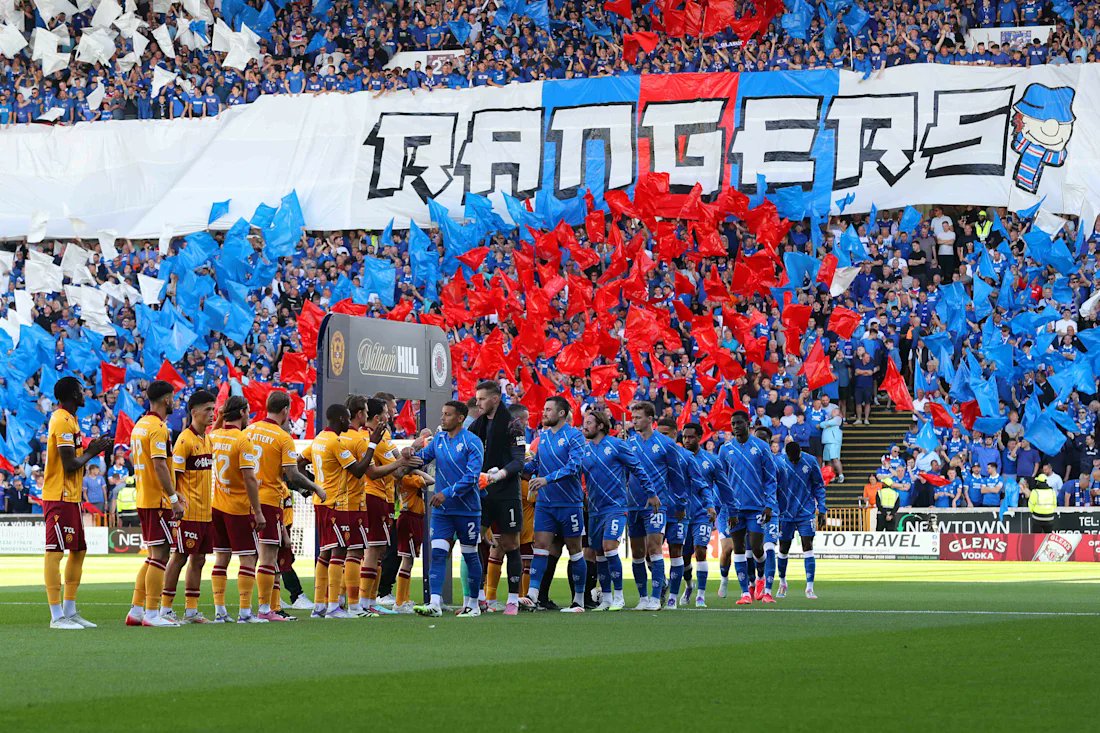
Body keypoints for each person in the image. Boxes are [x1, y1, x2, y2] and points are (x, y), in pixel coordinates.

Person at [298, 402, 388, 619]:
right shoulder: (335, 442)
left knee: (325, 553)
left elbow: (299, 461)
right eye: (347, 418)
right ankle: (334, 607)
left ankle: (320, 606)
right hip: (338, 503)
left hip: (322, 502)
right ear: (340, 419)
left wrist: (310, 486)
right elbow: (358, 471)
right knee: (340, 552)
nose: (350, 421)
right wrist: (372, 445)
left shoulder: (319, 438)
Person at [244, 390, 326, 621]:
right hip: (269, 500)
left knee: (250, 556)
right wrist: (315, 487)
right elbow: (293, 474)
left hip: (245, 500)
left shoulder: (248, 431)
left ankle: (250, 609)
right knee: (269, 558)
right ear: (285, 410)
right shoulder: (282, 437)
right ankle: (265, 609)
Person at [42, 376, 112, 629]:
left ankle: (70, 610)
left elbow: (76, 456)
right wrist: (93, 451)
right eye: (82, 391)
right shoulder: (61, 420)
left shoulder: (71, 420)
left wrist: (93, 447)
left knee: (79, 550)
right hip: (58, 495)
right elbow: (70, 464)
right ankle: (56, 615)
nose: (85, 394)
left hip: (71, 497)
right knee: (55, 552)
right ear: (73, 394)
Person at [413, 400, 486, 617]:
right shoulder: (439, 440)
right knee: (437, 554)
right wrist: (409, 452)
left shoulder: (473, 442)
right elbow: (421, 459)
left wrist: (446, 493)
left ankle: (474, 604)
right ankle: (435, 603)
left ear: (460, 418)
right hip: (442, 511)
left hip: (467, 510)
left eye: (447, 414)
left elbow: (472, 477)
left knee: (470, 555)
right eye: (443, 413)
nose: (442, 418)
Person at [346, 396, 418, 616]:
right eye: (387, 412)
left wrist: (409, 457)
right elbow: (391, 470)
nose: (390, 415)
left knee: (378, 551)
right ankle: (363, 602)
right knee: (372, 550)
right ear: (377, 417)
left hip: (384, 499)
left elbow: (396, 466)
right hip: (372, 497)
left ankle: (369, 600)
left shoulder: (382, 437)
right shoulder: (367, 439)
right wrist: (404, 462)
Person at [126, 380, 187, 628]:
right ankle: (152, 612)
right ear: (166, 399)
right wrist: (172, 498)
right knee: (160, 555)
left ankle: (136, 610)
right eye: (173, 397)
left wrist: (173, 493)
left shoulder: (140, 425)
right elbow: (160, 465)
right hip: (157, 500)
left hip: (145, 496)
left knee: (153, 556)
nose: (175, 402)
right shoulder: (158, 428)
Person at [520, 396, 587, 612]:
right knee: (540, 547)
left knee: (575, 550)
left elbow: (574, 466)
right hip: (545, 504)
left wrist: (546, 479)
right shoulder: (544, 437)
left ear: (561, 413)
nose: (544, 412)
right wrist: (514, 468)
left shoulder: (575, 436)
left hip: (569, 504)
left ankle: (578, 600)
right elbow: (536, 464)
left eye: (548, 409)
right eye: (544, 408)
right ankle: (532, 595)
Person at [580, 409, 650, 612]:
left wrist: (651, 493)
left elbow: (637, 468)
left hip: (616, 507)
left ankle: (619, 596)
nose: (584, 426)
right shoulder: (584, 450)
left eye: (589, 422)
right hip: (594, 510)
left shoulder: (617, 445)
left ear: (601, 425)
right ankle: (607, 598)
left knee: (609, 546)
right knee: (599, 553)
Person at [469, 380, 526, 615]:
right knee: (473, 541)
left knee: (510, 544)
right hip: (482, 493)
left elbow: (519, 461)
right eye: (477, 399)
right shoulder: (477, 425)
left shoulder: (513, 425)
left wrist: (498, 475)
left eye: (482, 399)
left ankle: (513, 600)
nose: (478, 403)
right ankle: (479, 598)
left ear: (495, 399)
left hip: (506, 494)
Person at [160, 390, 216, 624]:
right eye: (208, 409)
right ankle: (165, 608)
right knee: (180, 557)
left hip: (205, 512)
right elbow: (173, 477)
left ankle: (191, 610)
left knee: (199, 559)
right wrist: (176, 502)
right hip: (189, 512)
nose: (212, 414)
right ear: (194, 412)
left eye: (213, 409)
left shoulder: (207, 439)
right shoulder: (185, 440)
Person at [208, 396, 265, 623]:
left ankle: (220, 610)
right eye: (248, 410)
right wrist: (258, 511)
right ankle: (245, 612)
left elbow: (210, 434)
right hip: (239, 508)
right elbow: (249, 478)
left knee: (221, 558)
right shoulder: (242, 440)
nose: (249, 414)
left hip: (217, 506)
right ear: (242, 412)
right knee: (248, 557)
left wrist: (219, 417)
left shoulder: (214, 437)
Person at [624, 400, 682, 611]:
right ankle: (643, 598)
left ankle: (656, 597)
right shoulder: (629, 443)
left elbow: (676, 477)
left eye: (638, 418)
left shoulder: (666, 444)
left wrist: (679, 503)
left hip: (657, 505)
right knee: (638, 552)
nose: (634, 421)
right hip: (633, 505)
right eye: (633, 418)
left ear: (650, 419)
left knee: (654, 547)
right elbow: (625, 474)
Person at [718, 410, 778, 605]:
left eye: (739, 423)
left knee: (757, 547)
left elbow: (770, 478)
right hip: (734, 508)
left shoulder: (761, 447)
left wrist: (769, 504)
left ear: (748, 423)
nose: (735, 426)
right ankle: (745, 592)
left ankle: (760, 578)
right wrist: (726, 507)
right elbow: (721, 480)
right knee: (738, 548)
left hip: (756, 507)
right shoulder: (725, 449)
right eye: (733, 424)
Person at [655, 417, 707, 609]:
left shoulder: (686, 456)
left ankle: (672, 598)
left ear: (674, 434)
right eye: (658, 434)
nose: (661, 438)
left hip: (679, 513)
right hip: (656, 510)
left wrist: (709, 505)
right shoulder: (652, 455)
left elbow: (700, 484)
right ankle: (662, 582)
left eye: (665, 434)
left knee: (676, 553)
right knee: (649, 552)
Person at [681, 422, 729, 608]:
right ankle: (689, 585)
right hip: (682, 514)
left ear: (700, 438)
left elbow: (724, 486)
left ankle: (701, 595)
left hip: (703, 513)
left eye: (691, 437)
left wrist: (726, 508)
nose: (687, 440)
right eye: (684, 437)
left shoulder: (712, 461)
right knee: (684, 557)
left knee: (700, 550)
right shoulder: (678, 458)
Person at [775, 442, 827, 600]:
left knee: (808, 546)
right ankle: (782, 583)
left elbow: (819, 485)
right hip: (785, 512)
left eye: (796, 458)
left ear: (800, 452)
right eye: (791, 459)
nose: (794, 461)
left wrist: (822, 509)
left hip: (806, 511)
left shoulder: (810, 461)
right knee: (783, 548)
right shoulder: (780, 462)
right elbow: (773, 486)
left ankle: (809, 587)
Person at [393, 464, 433, 613]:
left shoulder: (406, 479)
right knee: (407, 560)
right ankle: (399, 602)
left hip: (412, 518)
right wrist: (416, 471)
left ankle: (405, 599)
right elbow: (431, 480)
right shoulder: (409, 479)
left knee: (409, 560)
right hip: (410, 518)